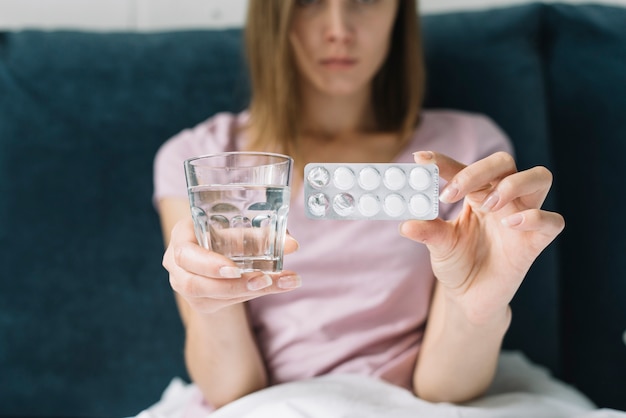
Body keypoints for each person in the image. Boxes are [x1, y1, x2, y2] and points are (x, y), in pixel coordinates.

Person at [153, 0, 565, 413]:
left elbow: (443, 390)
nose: (339, 29)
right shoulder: (201, 159)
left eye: (364, 0)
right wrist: (211, 306)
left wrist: (476, 307)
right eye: (309, 2)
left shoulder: (467, 152)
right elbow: (231, 392)